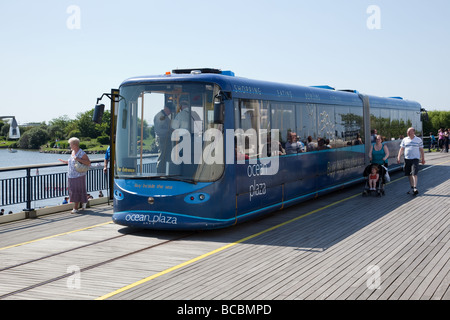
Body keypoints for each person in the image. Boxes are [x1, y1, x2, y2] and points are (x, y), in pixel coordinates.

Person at [58, 137, 91, 213]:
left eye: (71, 144)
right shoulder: (72, 152)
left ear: (75, 145)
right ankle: (83, 202)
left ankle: (75, 208)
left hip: (79, 175)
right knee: (74, 191)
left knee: (76, 191)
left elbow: (88, 162)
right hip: (71, 175)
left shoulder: (82, 153)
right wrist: (65, 161)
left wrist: (78, 159)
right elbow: (72, 162)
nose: (70, 146)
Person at [397, 127, 425, 195]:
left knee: (414, 173)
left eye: (409, 131)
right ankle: (412, 187)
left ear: (413, 132)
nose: (408, 133)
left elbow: (421, 150)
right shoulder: (405, 140)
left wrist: (423, 159)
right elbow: (401, 149)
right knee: (409, 174)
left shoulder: (418, 140)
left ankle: (415, 187)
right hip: (407, 159)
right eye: (407, 132)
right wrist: (398, 157)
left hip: (415, 158)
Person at [154, 102, 174, 173]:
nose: (170, 112)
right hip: (162, 139)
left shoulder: (164, 116)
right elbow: (158, 130)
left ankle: (165, 172)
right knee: (162, 157)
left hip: (165, 139)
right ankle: (160, 173)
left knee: (167, 157)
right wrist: (170, 130)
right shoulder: (160, 116)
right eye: (170, 110)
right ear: (165, 108)